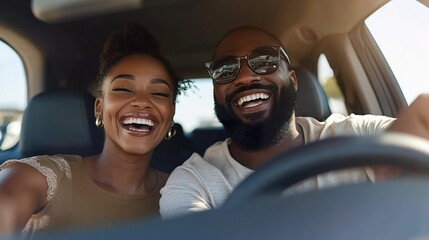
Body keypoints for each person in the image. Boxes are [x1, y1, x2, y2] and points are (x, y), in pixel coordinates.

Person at [159, 25, 429, 218]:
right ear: (216, 92)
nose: (243, 77)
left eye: (265, 61)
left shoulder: (356, 136)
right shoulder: (194, 182)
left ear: (293, 81)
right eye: (225, 70)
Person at [0, 23, 189, 236]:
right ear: (99, 108)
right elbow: (7, 196)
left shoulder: (188, 190)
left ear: (171, 114)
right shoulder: (48, 177)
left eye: (159, 93)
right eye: (123, 89)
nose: (141, 102)